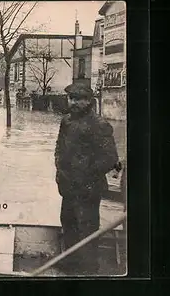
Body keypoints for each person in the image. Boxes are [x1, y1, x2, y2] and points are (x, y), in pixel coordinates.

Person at [54, 82, 119, 275]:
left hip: (88, 187)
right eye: (71, 98)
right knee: (68, 221)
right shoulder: (66, 121)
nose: (73, 102)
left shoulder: (99, 125)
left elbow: (110, 158)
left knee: (87, 226)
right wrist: (60, 170)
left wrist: (85, 175)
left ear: (89, 101)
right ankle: (71, 262)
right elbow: (59, 148)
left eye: (78, 99)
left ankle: (89, 268)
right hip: (67, 185)